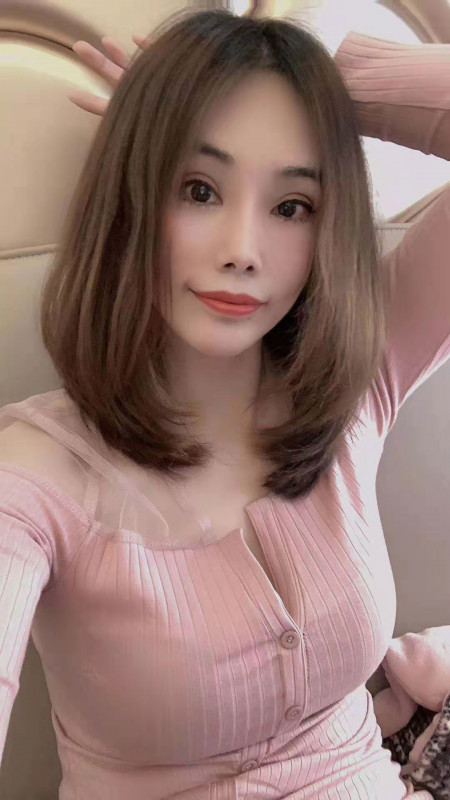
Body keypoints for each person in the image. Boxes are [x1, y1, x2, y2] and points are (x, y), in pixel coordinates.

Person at [0, 7, 448, 799]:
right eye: (198, 189)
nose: (242, 250)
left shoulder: (356, 383)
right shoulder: (33, 478)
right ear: (132, 198)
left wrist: (323, 80)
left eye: (291, 205)